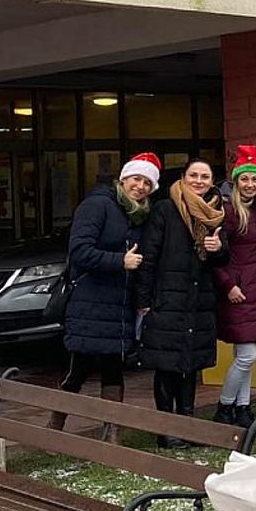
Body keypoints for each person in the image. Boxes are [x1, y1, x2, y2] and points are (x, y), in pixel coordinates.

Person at [52, 152, 160, 437]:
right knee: (78, 369)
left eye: (147, 183)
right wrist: (119, 261)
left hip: (120, 306)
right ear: (123, 179)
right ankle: (55, 427)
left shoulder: (140, 214)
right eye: (136, 179)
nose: (141, 186)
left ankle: (111, 432)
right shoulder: (97, 205)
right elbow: (79, 251)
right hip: (89, 302)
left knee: (114, 369)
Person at [135, 159, 227, 447]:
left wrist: (218, 249)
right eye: (193, 175)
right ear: (184, 178)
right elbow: (149, 256)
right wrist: (144, 300)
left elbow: (223, 259)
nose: (199, 181)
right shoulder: (165, 208)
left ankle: (188, 426)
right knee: (167, 365)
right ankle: (166, 430)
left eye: (204, 176)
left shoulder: (216, 212)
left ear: (211, 181)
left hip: (199, 301)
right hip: (168, 299)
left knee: (191, 365)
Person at [212, 146, 256, 428]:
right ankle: (224, 407)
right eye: (245, 179)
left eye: (255, 179)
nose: (250, 184)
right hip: (237, 293)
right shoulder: (227, 212)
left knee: (244, 355)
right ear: (236, 181)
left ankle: (243, 409)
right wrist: (228, 285)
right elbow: (215, 256)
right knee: (248, 355)